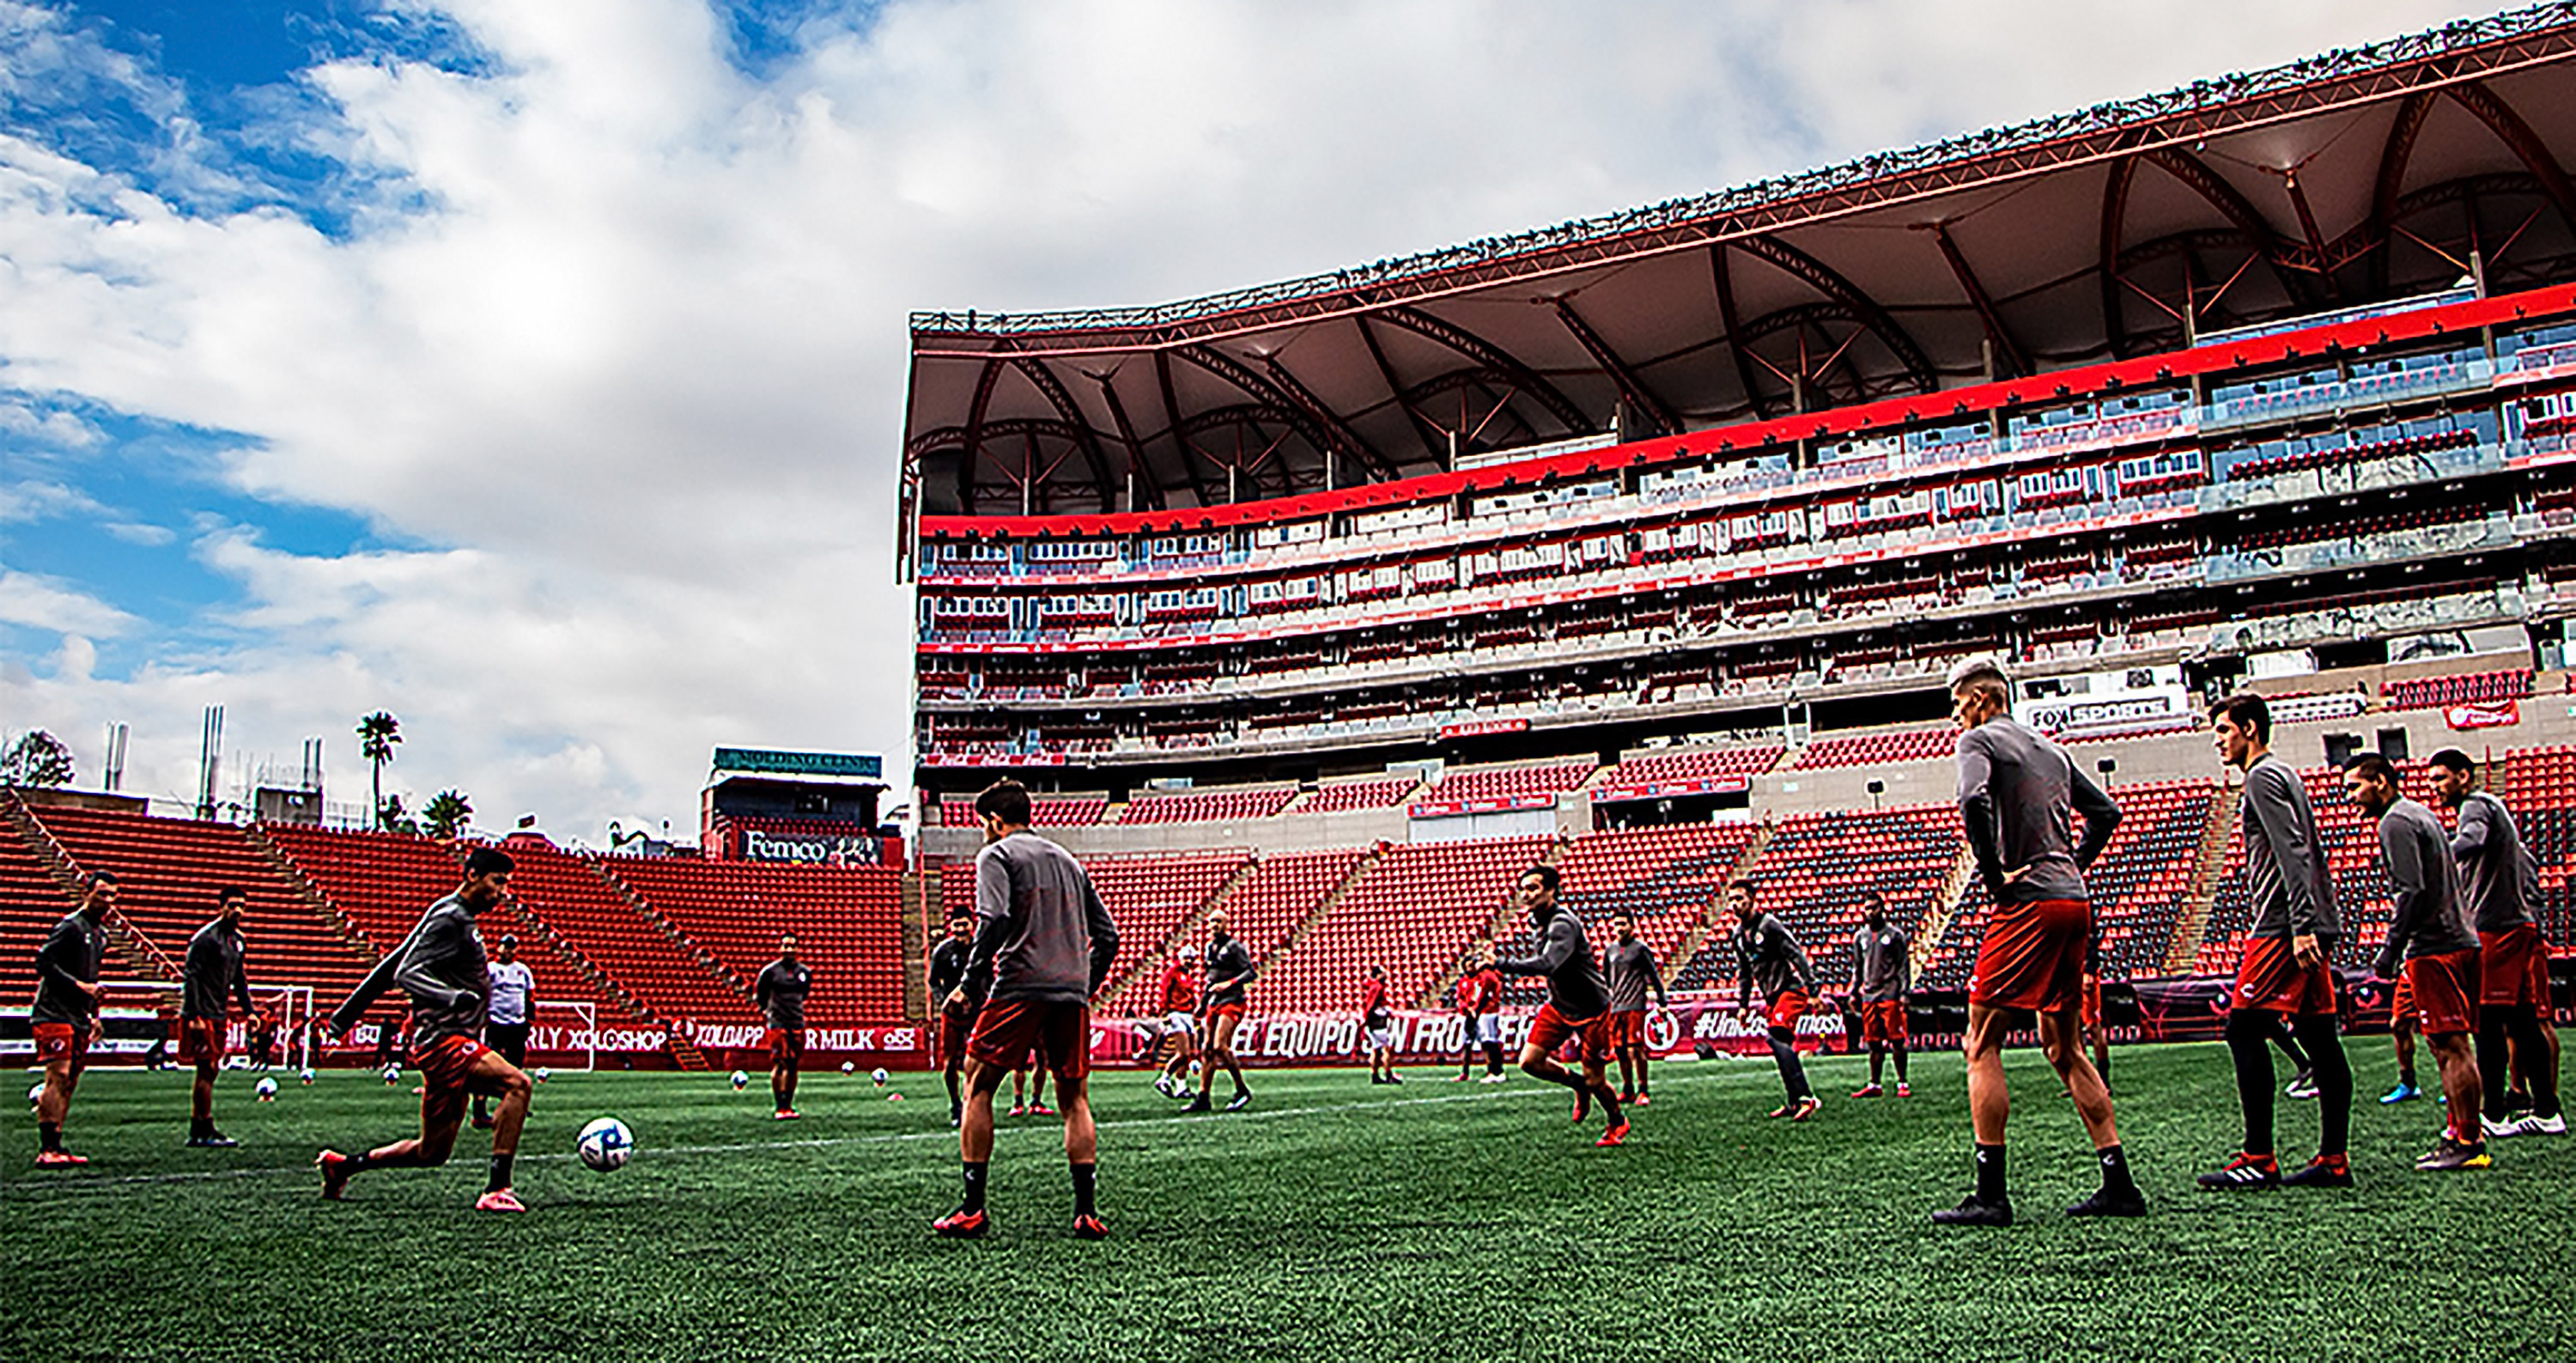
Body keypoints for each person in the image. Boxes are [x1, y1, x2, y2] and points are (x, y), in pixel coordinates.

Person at [1936, 657, 2141, 1226]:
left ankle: (1991, 1193)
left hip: (2026, 903)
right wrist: (2072, 865)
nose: (1956, 719)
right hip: (2073, 900)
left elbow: (1971, 800)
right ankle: (2118, 1181)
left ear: (1978, 700)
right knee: (2063, 1044)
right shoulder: (2052, 749)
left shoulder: (1978, 740)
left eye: (1957, 706)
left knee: (1981, 1041)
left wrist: (1994, 872)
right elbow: (2106, 812)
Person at [935, 780, 1119, 1239]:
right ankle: (1086, 1212)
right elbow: (1109, 936)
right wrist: (1084, 984)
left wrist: (969, 981)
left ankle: (973, 1208)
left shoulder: (996, 856)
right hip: (1070, 991)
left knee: (977, 1084)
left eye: (984, 824)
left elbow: (994, 919)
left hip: (1018, 985)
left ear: (995, 821)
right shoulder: (1070, 861)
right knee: (1074, 1098)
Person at [315, 847, 533, 1211]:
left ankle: (343, 1166)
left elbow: (391, 963)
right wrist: (452, 997)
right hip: (445, 1041)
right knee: (518, 1084)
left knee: (431, 1152)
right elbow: (406, 973)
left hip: (448, 1042)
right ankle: (498, 1188)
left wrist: (344, 1017)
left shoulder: (450, 913)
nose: (502, 893)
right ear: (473, 876)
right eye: (498, 883)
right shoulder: (451, 918)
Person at [2199, 692, 2355, 1191]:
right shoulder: (2284, 773)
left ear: (2249, 728)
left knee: (2243, 1030)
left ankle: (2258, 1157)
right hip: (2303, 921)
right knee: (2319, 1037)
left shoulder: (2262, 777)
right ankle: (2333, 1159)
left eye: (2224, 730)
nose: (2218, 741)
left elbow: (2292, 849)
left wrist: (2303, 923)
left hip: (2282, 926)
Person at [2347, 753, 2490, 1171]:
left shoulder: (2395, 821)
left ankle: (2469, 1141)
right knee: (2447, 1044)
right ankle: (2456, 1134)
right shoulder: (2420, 814)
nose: (2352, 797)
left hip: (2436, 946)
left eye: (2357, 786)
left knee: (2451, 1045)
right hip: (2457, 939)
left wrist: (2391, 949)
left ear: (2382, 783)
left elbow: (2410, 890)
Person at [2430, 748, 2564, 1137]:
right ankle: (2546, 1110)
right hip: (2513, 925)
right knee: (2523, 1023)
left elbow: (2471, 839)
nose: (2436, 788)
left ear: (2464, 776)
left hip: (2497, 928)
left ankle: (2493, 1115)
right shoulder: (2490, 807)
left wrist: (2435, 856)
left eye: (2442, 778)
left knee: (2487, 1023)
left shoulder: (2476, 806)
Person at [1492, 866, 1627, 1146]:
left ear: (1551, 891)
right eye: (1523, 889)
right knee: (1529, 1062)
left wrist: (1499, 963)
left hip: (1592, 1010)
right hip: (1559, 1005)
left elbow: (1549, 963)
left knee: (1596, 1080)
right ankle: (1576, 1084)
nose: (1525, 895)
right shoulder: (1536, 921)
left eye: (1533, 888)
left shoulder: (1562, 923)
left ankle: (1617, 1120)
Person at [32, 872, 114, 1166]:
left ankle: (57, 1143)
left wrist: (94, 1014)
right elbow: (43, 962)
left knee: (71, 1080)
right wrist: (79, 988)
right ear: (86, 893)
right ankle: (47, 1149)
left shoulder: (101, 935)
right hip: (53, 1012)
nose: (107, 901)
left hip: (78, 1015)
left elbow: (90, 978)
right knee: (59, 1074)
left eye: (111, 896)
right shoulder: (70, 927)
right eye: (102, 894)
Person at [1728, 880, 1820, 1121]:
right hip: (1772, 997)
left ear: (1753, 899)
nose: (1735, 905)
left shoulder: (1769, 926)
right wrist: (1743, 1006)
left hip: (1790, 991)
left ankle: (1806, 1098)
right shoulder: (1738, 936)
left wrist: (1813, 989)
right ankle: (1793, 1102)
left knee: (1776, 1037)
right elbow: (1745, 974)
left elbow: (1795, 953)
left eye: (1740, 899)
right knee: (1780, 1045)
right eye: (1732, 900)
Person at [180, 886, 261, 1147]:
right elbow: (191, 976)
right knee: (207, 1068)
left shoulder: (238, 941)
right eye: (232, 905)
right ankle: (201, 1128)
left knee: (212, 1069)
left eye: (241, 906)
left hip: (218, 1012)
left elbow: (239, 979)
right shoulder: (206, 939)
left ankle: (202, 1125)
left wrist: (249, 1011)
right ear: (221, 907)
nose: (237, 910)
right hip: (203, 1012)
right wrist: (193, 1014)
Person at [1183, 909, 1255, 1114]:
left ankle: (1241, 1090)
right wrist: (1203, 1003)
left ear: (1227, 924)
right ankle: (1203, 1096)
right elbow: (1210, 979)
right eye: (1211, 922)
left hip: (1232, 1000)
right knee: (1207, 1049)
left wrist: (1228, 984)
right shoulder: (1209, 948)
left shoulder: (1235, 947)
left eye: (1218, 922)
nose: (1214, 925)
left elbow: (1250, 972)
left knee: (1220, 1046)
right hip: (1215, 1002)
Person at [1844, 894, 1911, 1099]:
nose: (1870, 912)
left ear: (1883, 909)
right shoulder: (1860, 937)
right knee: (1873, 1042)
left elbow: (1903, 966)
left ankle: (1902, 1082)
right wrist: (1854, 990)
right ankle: (1875, 1083)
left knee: (1896, 1040)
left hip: (1889, 993)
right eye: (1867, 909)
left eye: (1874, 908)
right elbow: (1858, 967)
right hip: (1869, 995)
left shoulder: (1894, 935)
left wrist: (1904, 992)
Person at [473, 934, 536, 1130]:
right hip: (495, 1023)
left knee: (516, 1069)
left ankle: (514, 1107)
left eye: (512, 947)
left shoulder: (522, 971)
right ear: (498, 948)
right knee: (486, 1068)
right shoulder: (491, 970)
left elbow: (529, 996)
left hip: (516, 1026)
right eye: (505, 947)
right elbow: (482, 993)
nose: (508, 951)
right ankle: (479, 1112)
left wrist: (529, 1021)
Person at [1604, 911, 1667, 1106]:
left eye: (1623, 924)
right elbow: (1606, 979)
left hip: (1635, 1006)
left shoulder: (1640, 950)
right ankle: (1628, 1088)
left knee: (1636, 1048)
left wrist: (1662, 1002)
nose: (1619, 928)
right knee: (1620, 1050)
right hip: (1616, 1007)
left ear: (1632, 926)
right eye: (1616, 925)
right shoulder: (1610, 951)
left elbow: (1653, 976)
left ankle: (1643, 1089)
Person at [928, 912, 982, 1126]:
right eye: (956, 925)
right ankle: (956, 1104)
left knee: (977, 1059)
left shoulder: (980, 948)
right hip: (952, 1013)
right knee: (950, 1061)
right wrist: (944, 1001)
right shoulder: (943, 951)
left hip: (977, 1011)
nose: (960, 930)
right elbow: (933, 980)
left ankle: (974, 1101)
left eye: (964, 925)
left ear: (972, 925)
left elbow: (989, 976)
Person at [754, 934, 812, 1120]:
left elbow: (804, 995)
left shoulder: (804, 973)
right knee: (780, 1062)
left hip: (797, 1022)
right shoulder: (770, 972)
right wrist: (769, 1012)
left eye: (793, 946)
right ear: (780, 948)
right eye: (786, 946)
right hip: (778, 1023)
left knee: (794, 1064)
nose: (789, 950)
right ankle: (779, 1105)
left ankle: (789, 1104)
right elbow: (761, 996)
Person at [1150, 946, 1200, 1098]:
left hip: (1187, 1014)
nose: (1189, 962)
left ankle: (1181, 1087)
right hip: (1176, 1013)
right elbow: (1165, 992)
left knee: (1186, 1055)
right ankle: (1164, 1078)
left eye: (1191, 959)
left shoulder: (1187, 976)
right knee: (1183, 1052)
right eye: (1187, 958)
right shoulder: (1173, 973)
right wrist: (1164, 1013)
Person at [2382, 971, 2423, 1104]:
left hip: (2438, 960)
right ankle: (2408, 1083)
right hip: (2412, 965)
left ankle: (2457, 1085)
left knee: (2445, 1029)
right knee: (2399, 1025)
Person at [1361, 964, 1401, 1084]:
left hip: (1374, 1021)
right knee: (1386, 1048)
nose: (1386, 975)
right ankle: (1388, 1074)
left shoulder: (1374, 987)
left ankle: (1375, 1075)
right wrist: (1367, 1019)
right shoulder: (1377, 987)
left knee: (1376, 1049)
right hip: (1377, 1021)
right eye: (1383, 973)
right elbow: (1371, 1005)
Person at [1472, 952, 1507, 1081]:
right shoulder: (1492, 974)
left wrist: (1476, 1009)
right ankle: (1496, 1070)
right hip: (1492, 1009)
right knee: (1490, 1040)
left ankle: (1495, 1071)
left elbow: (1483, 994)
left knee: (1488, 1041)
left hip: (1487, 1010)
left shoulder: (1485, 975)